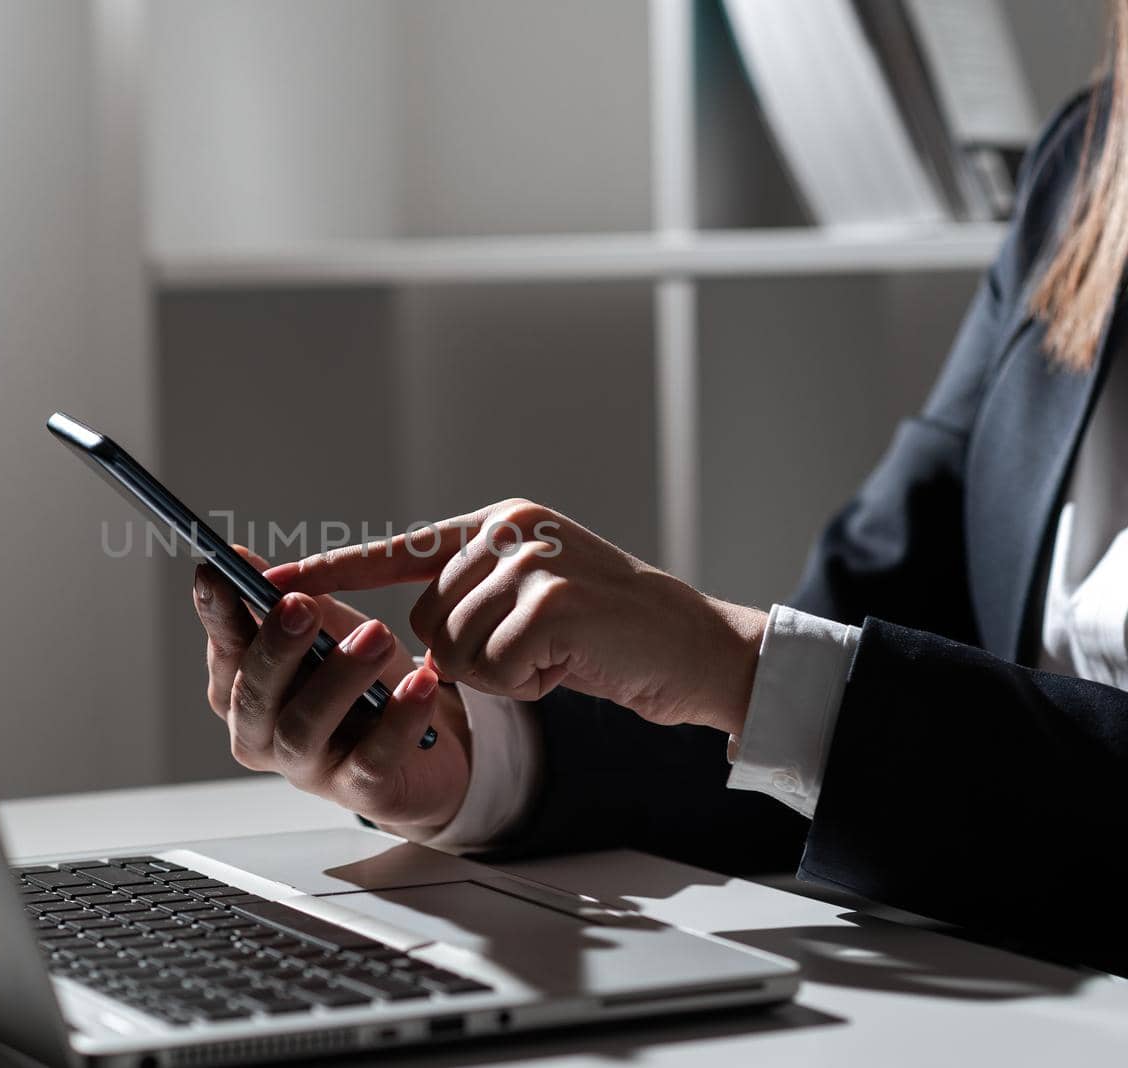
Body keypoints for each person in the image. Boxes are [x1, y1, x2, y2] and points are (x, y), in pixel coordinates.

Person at [191, 25, 1128, 976]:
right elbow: (844, 679)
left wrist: (734, 661)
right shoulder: (1091, 163)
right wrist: (468, 756)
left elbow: (795, 687)